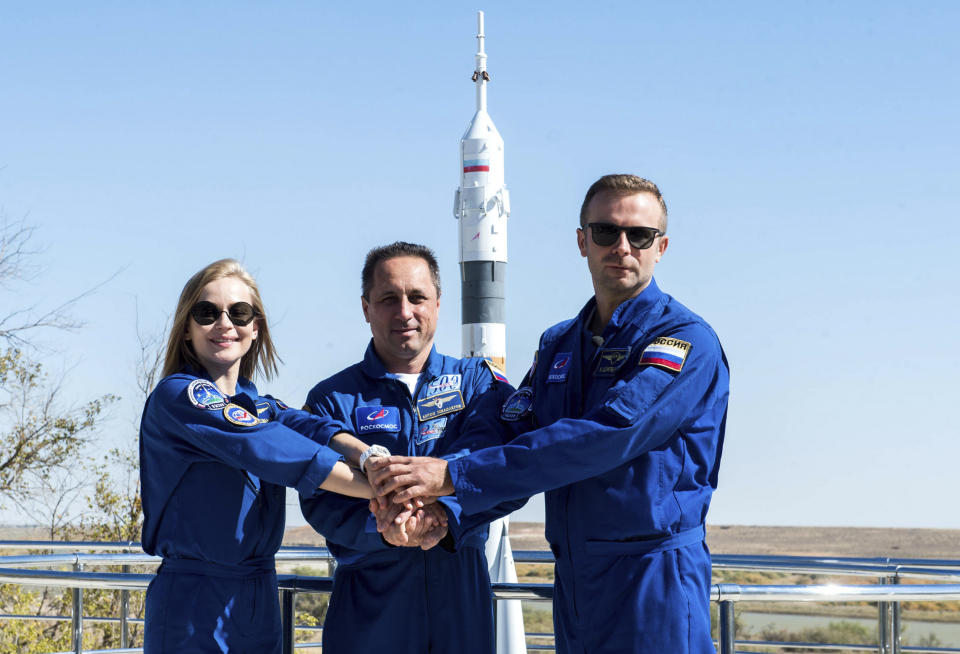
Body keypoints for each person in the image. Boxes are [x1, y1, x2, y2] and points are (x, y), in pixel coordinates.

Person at [369, 176, 730, 654]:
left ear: (660, 247)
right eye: (605, 232)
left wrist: (453, 474)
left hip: (653, 581)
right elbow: (515, 437)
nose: (622, 246)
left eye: (638, 235)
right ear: (582, 241)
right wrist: (444, 511)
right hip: (577, 582)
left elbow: (607, 434)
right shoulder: (560, 345)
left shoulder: (683, 342)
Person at [140, 258, 378, 654]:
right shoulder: (178, 397)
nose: (224, 323)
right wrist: (379, 490)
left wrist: (371, 457)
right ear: (186, 328)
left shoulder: (259, 405)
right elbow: (262, 444)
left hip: (258, 599)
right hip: (196, 602)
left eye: (239, 312)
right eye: (206, 312)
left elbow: (310, 428)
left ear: (255, 327)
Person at [299, 241, 523, 654]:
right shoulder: (333, 398)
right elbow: (320, 499)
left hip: (461, 599)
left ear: (438, 304)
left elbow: (499, 465)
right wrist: (386, 532)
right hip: (369, 606)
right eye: (389, 299)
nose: (405, 312)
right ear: (366, 308)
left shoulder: (477, 382)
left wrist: (445, 514)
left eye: (417, 297)